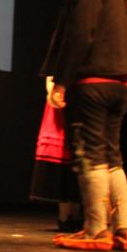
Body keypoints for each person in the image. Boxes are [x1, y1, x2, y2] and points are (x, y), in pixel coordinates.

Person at [41, 0, 127, 252]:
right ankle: (121, 228)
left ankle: (97, 230)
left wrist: (62, 81)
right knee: (112, 155)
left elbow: (80, 35)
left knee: (90, 155)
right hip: (120, 83)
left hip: (92, 83)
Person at [28, 79, 82, 232]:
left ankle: (74, 215)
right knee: (66, 164)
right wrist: (56, 93)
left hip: (79, 100)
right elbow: (53, 78)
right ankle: (66, 216)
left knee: (77, 163)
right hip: (65, 103)